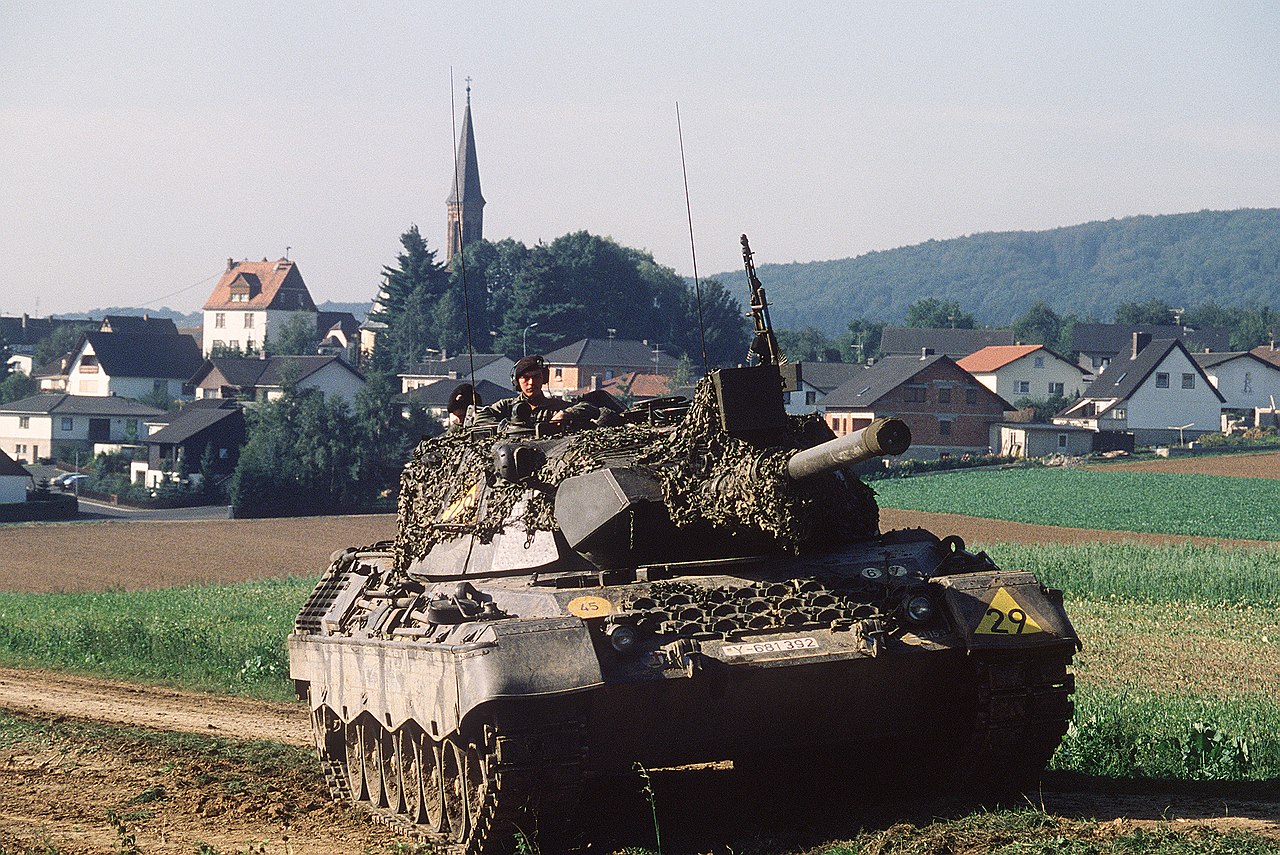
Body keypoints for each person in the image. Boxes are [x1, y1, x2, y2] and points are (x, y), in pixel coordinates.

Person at [478, 354, 595, 429]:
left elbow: (590, 408)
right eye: (525, 378)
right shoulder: (506, 406)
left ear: (544, 379)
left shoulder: (556, 406)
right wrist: (505, 426)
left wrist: (567, 414)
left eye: (536, 377)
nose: (531, 383)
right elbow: (480, 416)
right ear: (516, 381)